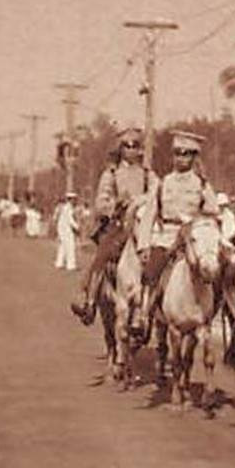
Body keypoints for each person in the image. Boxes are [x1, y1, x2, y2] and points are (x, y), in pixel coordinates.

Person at [132, 130, 220, 336]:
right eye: (178, 153)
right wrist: (144, 244)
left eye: (187, 154)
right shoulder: (164, 183)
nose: (182, 158)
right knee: (151, 270)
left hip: (195, 239)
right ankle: (143, 314)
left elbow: (214, 212)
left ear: (194, 157)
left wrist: (199, 225)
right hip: (167, 237)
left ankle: (222, 315)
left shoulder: (202, 184)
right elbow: (149, 215)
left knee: (220, 271)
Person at [70, 129, 153, 324]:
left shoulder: (148, 175)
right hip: (119, 225)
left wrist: (141, 201)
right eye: (127, 146)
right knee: (102, 255)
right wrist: (115, 204)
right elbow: (101, 201)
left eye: (135, 145)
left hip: (144, 223)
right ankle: (89, 302)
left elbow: (157, 194)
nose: (131, 150)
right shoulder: (112, 174)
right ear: (121, 149)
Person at [54, 193, 80, 271]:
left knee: (63, 246)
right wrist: (77, 227)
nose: (75, 201)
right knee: (70, 246)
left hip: (62, 229)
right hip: (66, 230)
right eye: (74, 199)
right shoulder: (68, 208)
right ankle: (71, 265)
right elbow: (70, 220)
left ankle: (59, 263)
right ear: (70, 199)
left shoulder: (65, 207)